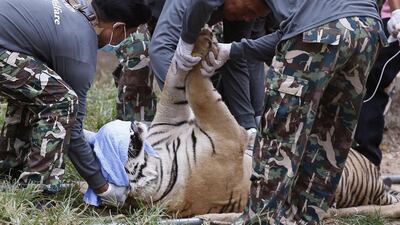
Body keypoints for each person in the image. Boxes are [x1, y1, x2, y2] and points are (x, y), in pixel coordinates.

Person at [173, 0, 387, 223]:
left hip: (321, 31)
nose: (246, 19)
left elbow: (204, 1)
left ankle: (260, 220)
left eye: (230, 13)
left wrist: (187, 38)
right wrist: (233, 50)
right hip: (368, 31)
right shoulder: (309, 7)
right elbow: (293, 37)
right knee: (330, 137)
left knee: (280, 135)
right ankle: (305, 219)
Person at [0, 0, 151, 206]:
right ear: (118, 28)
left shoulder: (73, 12)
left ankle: (10, 167)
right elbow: (73, 132)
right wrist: (103, 187)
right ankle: (37, 192)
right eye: (129, 34)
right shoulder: (79, 50)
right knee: (62, 100)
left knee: (42, 87)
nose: (127, 40)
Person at [149, 0, 268, 148]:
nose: (248, 19)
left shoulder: (246, 10)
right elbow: (160, 51)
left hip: (211, 9)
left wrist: (249, 125)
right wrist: (201, 114)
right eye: (250, 12)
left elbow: (236, 61)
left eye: (255, 16)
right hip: (150, 11)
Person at [353, 0, 400, 167]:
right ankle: (364, 161)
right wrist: (397, 13)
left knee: (372, 90)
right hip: (392, 25)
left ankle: (366, 163)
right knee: (370, 89)